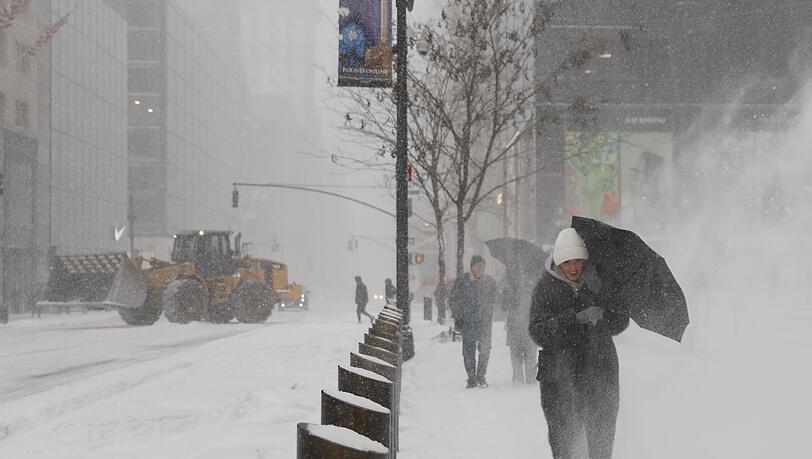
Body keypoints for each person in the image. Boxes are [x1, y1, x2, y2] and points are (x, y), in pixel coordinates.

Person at [529, 227, 629, 459]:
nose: (573, 268)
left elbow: (620, 323)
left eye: (577, 261)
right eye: (567, 262)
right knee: (565, 442)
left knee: (601, 439)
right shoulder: (545, 288)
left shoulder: (598, 283)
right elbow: (538, 331)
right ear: (557, 261)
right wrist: (574, 319)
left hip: (599, 372)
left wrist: (604, 313)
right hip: (559, 377)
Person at [450, 255, 497, 389]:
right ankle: (471, 377)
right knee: (468, 351)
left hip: (484, 322)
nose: (480, 268)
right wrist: (458, 316)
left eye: (482, 266)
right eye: (478, 265)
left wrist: (505, 296)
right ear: (472, 266)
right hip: (468, 322)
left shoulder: (489, 281)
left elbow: (496, 297)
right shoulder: (463, 281)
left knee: (485, 349)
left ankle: (481, 376)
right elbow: (454, 300)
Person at [501, 264, 539, 384]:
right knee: (517, 356)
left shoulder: (533, 286)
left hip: (529, 325)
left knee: (530, 356)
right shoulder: (509, 287)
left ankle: (529, 380)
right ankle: (519, 383)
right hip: (515, 326)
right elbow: (504, 306)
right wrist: (508, 295)